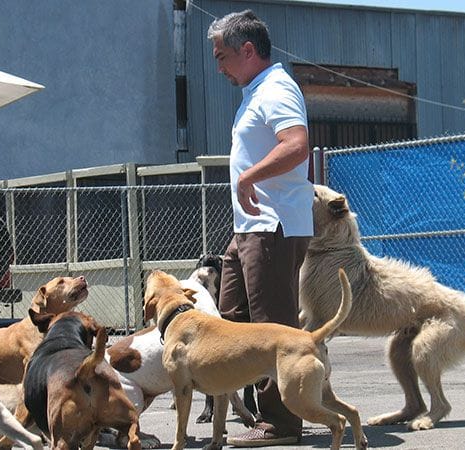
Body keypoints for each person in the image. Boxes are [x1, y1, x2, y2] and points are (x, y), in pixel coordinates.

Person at [207, 10, 313, 447]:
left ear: (247, 51)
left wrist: (250, 177)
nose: (218, 67)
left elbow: (297, 145)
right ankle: (231, 408)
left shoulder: (276, 89)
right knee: (230, 322)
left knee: (272, 328)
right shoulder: (256, 91)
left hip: (273, 227)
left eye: (222, 56)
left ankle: (281, 422)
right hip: (251, 228)